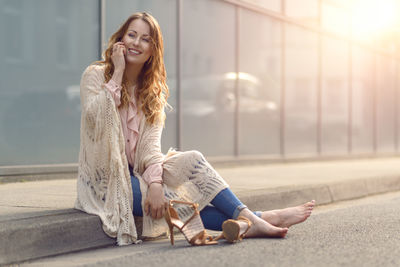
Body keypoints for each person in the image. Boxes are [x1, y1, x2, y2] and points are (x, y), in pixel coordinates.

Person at [75, 11, 315, 246]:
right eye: (131, 35)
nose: (136, 43)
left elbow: (150, 150)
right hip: (104, 180)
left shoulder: (151, 92)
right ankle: (259, 219)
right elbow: (96, 119)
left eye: (145, 39)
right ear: (121, 40)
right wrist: (117, 73)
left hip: (138, 172)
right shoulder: (96, 75)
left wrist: (156, 184)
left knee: (193, 159)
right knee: (165, 200)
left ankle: (248, 220)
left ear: (152, 50)